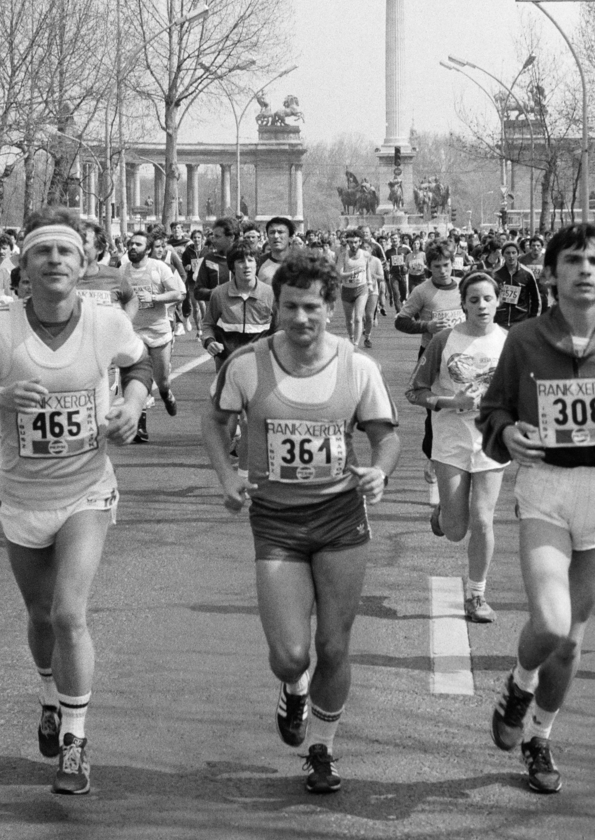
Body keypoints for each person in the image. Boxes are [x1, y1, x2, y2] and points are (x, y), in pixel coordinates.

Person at [0, 207, 151, 796]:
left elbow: (136, 362)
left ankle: (75, 740)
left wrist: (133, 404)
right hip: (21, 495)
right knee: (40, 617)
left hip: (87, 488)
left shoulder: (107, 321)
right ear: (25, 266)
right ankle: (47, 694)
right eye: (43, 252)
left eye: (66, 252)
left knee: (69, 613)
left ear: (82, 266)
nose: (55, 261)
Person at [476, 222, 595, 794]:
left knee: (573, 639)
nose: (585, 270)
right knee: (551, 622)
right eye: (572, 261)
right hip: (545, 489)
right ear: (552, 274)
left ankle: (539, 734)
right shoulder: (525, 339)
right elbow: (494, 410)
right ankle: (518, 682)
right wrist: (506, 432)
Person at [201, 250, 399, 795]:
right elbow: (215, 421)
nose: (301, 318)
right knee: (291, 653)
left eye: (312, 307)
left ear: (331, 308)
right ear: (276, 306)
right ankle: (293, 688)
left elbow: (385, 435)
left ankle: (324, 750)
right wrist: (227, 476)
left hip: (339, 517)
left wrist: (380, 472)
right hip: (277, 522)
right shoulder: (246, 365)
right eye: (290, 307)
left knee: (334, 646)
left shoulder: (358, 368)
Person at [407, 271, 509, 622]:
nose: (482, 305)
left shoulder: (509, 342)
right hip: (450, 437)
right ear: (463, 303)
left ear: (498, 301)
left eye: (488, 298)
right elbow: (415, 391)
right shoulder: (443, 340)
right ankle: (443, 515)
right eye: (474, 299)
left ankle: (477, 595)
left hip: (490, 439)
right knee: (456, 531)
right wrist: (451, 402)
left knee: (483, 519)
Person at [396, 243, 464, 521]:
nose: (443, 271)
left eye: (447, 265)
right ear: (429, 267)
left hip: (462, 355)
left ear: (453, 263)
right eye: (437, 267)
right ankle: (433, 463)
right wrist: (426, 327)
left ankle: (459, 471)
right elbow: (401, 322)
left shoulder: (464, 286)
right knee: (434, 410)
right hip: (432, 356)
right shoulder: (422, 291)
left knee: (461, 409)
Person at [119, 228, 187, 442]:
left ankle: (167, 395)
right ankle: (140, 425)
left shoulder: (159, 268)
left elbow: (178, 293)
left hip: (158, 331)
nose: (132, 247)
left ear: (148, 249)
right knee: (136, 380)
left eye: (138, 244)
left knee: (162, 380)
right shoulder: (122, 270)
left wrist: (155, 298)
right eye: (130, 244)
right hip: (134, 333)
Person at [204, 244, 275, 365]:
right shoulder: (219, 293)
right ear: (232, 266)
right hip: (227, 363)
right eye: (241, 261)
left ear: (256, 264)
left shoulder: (270, 293)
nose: (246, 265)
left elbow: (282, 327)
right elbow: (208, 324)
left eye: (250, 260)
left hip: (261, 363)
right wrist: (209, 342)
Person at [491, 241, 541, 327]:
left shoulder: (527, 273)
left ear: (518, 254)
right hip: (500, 322)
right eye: (508, 253)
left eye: (513, 253)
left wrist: (533, 320)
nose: (511, 256)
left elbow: (536, 299)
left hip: (520, 321)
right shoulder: (495, 274)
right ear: (503, 255)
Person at [337, 232, 373, 346]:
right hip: (347, 289)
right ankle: (351, 338)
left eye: (356, 242)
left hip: (361, 288)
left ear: (360, 242)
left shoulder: (366, 255)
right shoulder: (343, 255)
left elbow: (367, 269)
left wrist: (370, 283)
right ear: (347, 242)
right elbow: (340, 274)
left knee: (358, 318)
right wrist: (353, 272)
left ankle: (356, 344)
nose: (353, 245)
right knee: (349, 320)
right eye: (351, 242)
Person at [258, 216, 295, 285]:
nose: (276, 236)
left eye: (280, 232)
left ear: (291, 238)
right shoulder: (258, 263)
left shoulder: (302, 264)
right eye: (272, 232)